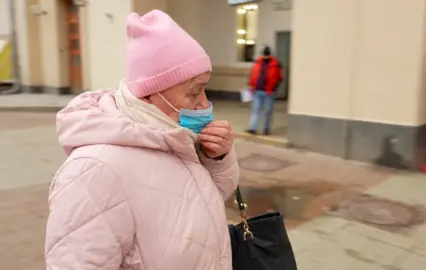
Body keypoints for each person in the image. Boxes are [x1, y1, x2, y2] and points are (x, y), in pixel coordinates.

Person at [44, 10, 239, 270]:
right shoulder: (93, 171)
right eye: (194, 92)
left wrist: (217, 158)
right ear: (149, 96)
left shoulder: (173, 135)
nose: (204, 103)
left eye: (205, 88)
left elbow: (208, 200)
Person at [246, 46, 283, 136]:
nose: (264, 56)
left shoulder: (276, 64)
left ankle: (266, 129)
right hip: (257, 90)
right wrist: (251, 86)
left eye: (266, 55)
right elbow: (253, 75)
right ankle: (253, 128)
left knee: (267, 111)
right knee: (255, 110)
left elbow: (279, 77)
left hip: (269, 92)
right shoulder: (257, 62)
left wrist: (274, 88)